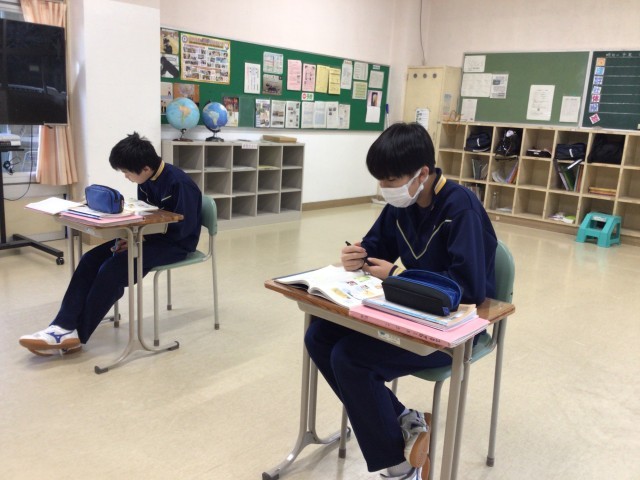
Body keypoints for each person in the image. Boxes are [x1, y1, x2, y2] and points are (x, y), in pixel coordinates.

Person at [304, 122, 497, 480]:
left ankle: (401, 467)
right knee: (319, 336)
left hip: (452, 332)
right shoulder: (404, 203)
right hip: (407, 314)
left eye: (390, 179)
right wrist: (358, 255)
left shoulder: (461, 208)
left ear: (422, 173)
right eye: (380, 179)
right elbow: (376, 245)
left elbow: (469, 289)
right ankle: (405, 420)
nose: (384, 187)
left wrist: (396, 276)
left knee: (350, 358)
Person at [19, 132, 202, 356]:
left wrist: (141, 240)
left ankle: (76, 335)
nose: (126, 177)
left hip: (175, 245)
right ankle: (61, 325)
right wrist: (132, 236)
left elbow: (183, 229)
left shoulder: (179, 184)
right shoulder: (146, 179)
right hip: (145, 236)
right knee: (90, 259)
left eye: (127, 172)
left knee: (112, 270)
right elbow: (147, 213)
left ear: (145, 168)